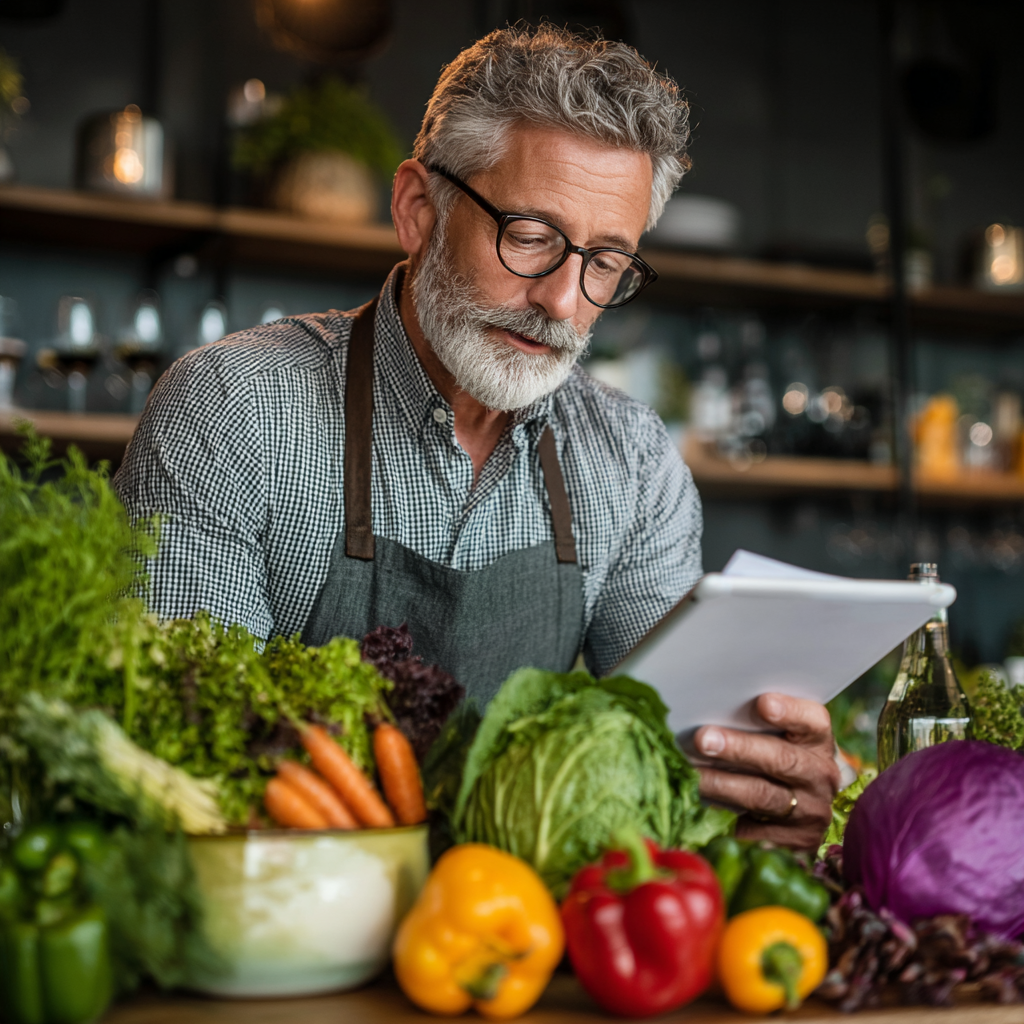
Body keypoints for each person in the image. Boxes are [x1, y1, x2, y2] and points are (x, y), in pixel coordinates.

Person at [114, 24, 839, 849]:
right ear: (420, 209)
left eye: (606, 262)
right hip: (294, 925)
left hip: (519, 943)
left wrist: (761, 786)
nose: (564, 302)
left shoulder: (632, 463)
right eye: (530, 237)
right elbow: (179, 771)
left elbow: (681, 760)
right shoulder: (235, 411)